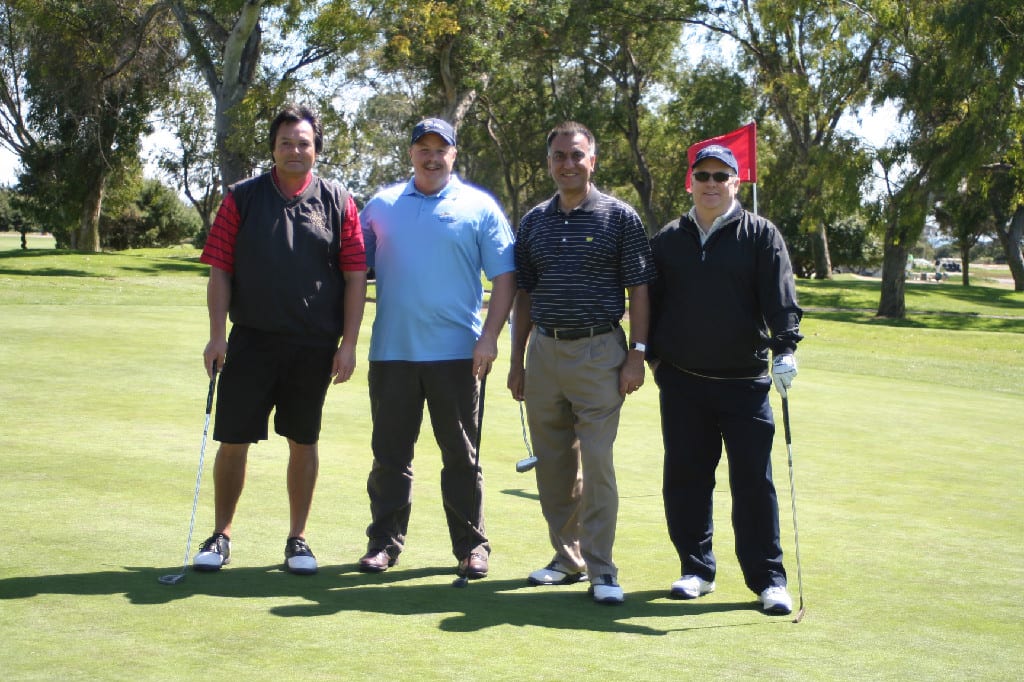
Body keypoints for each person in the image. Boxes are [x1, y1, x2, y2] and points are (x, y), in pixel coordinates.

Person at [193, 103, 367, 576]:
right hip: (250, 340)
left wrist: (348, 344)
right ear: (273, 148)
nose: (295, 150)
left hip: (313, 346)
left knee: (303, 441)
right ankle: (221, 534)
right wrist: (216, 337)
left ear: (317, 150)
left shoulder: (339, 201)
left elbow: (355, 278)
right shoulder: (242, 197)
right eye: (286, 142)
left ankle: (298, 540)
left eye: (304, 143)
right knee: (233, 440)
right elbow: (220, 270)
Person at [357, 117, 515, 581]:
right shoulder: (381, 206)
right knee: (389, 458)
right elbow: (350, 269)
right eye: (422, 148)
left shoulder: (479, 207)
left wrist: (489, 337)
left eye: (440, 149)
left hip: (457, 356)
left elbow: (505, 276)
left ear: (454, 154)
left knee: (461, 457)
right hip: (392, 352)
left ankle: (472, 547)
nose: (431, 156)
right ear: (410, 154)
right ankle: (383, 544)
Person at [647, 144, 802, 614]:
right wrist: (653, 359)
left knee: (754, 483)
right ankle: (696, 569)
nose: (710, 184)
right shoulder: (669, 239)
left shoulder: (759, 234)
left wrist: (787, 346)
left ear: (737, 182)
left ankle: (768, 579)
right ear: (690, 181)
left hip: (745, 382)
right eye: (703, 175)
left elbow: (779, 296)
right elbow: (649, 304)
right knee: (686, 479)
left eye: (720, 176)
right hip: (684, 382)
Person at [508, 121, 655, 605]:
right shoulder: (533, 222)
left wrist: (637, 353)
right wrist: (517, 361)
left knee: (597, 464)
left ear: (593, 160)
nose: (567, 164)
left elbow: (639, 290)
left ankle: (602, 568)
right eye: (559, 156)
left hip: (600, 353)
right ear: (549, 162)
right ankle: (567, 557)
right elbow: (524, 294)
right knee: (553, 465)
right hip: (544, 352)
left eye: (577, 155)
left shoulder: (619, 217)